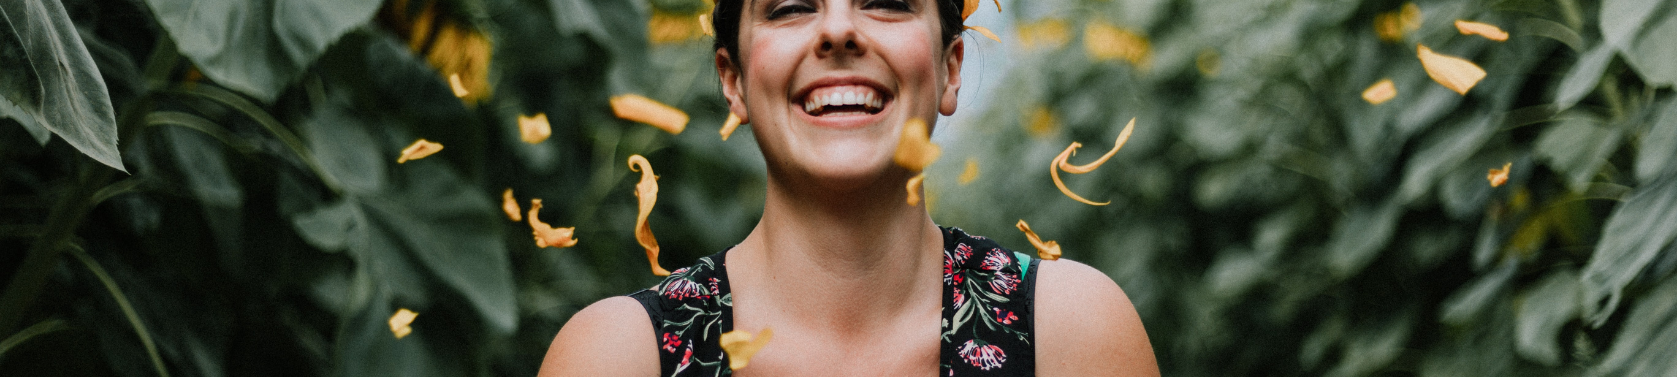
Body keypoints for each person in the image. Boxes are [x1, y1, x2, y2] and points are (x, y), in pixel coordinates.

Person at [539, 0, 1158, 375]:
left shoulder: (1069, 332)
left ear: (950, 69)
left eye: (886, 0)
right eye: (790, 7)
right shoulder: (618, 358)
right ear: (733, 81)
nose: (837, 31)